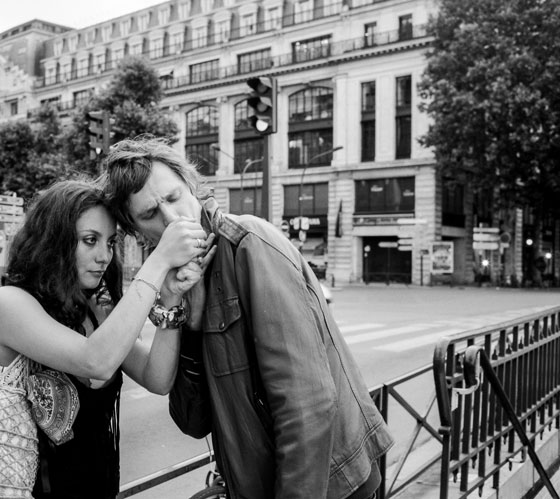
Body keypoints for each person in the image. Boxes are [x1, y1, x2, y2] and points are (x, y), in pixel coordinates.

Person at [101, 137, 394, 499]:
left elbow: (307, 403)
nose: (173, 219)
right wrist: (188, 319)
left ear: (191, 186)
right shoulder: (179, 281)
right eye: (150, 215)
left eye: (174, 198)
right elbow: (193, 421)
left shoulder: (248, 244)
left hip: (329, 486)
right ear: (136, 231)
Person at [0, 179, 213, 499]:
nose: (104, 256)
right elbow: (95, 361)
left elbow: (158, 379)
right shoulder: (8, 303)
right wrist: (159, 261)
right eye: (90, 240)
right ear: (54, 240)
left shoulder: (94, 310)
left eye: (110, 242)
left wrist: (171, 298)